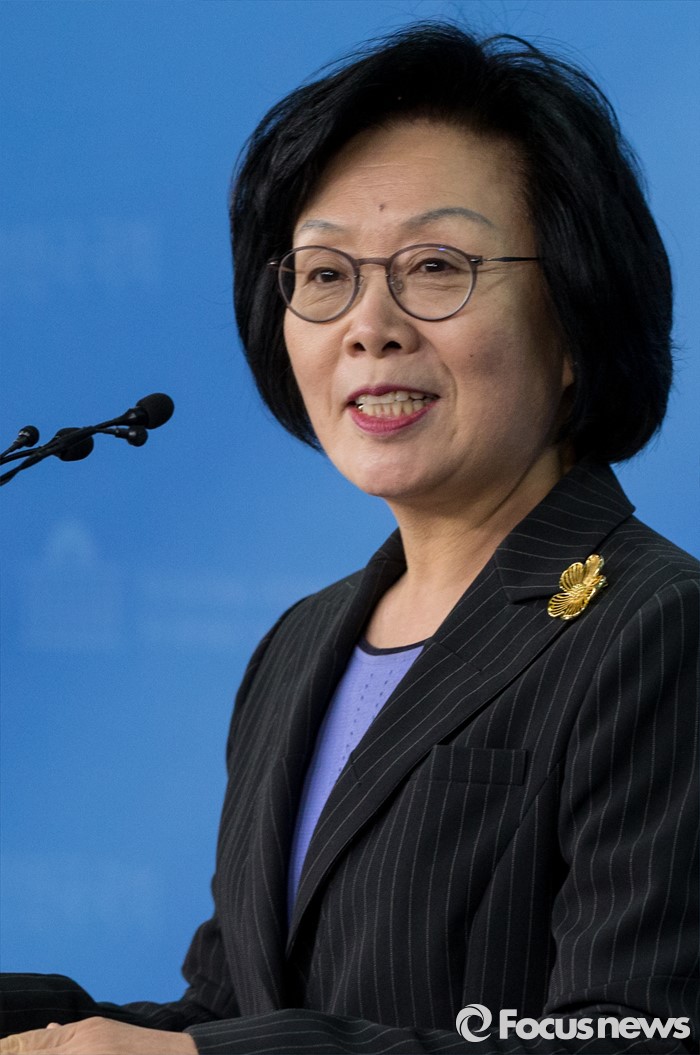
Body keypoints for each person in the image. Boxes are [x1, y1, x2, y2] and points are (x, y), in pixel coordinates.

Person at [1, 21, 697, 1055]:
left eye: (435, 265)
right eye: (326, 274)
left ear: (575, 323)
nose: (370, 325)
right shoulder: (301, 642)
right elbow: (231, 1014)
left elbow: (634, 1033)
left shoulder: (656, 628)